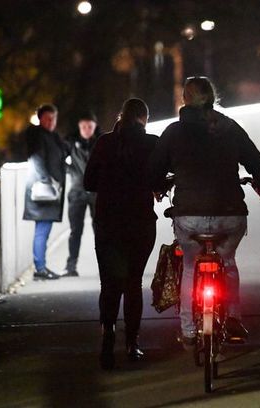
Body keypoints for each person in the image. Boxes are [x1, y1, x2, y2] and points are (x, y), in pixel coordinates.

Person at [150, 76, 260, 349]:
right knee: (227, 261)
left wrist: (159, 187)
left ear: (185, 99)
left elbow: (154, 170)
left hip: (189, 216)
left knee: (191, 265)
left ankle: (188, 330)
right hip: (229, 214)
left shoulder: (173, 132)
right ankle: (232, 318)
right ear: (212, 98)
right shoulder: (230, 128)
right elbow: (256, 161)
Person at [84, 98, 158, 370]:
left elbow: (88, 182)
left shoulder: (104, 143)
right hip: (140, 223)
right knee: (133, 282)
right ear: (144, 119)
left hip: (108, 224)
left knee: (110, 284)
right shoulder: (151, 143)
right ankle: (132, 344)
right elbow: (159, 179)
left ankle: (107, 340)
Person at [22, 104, 69, 280]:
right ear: (40, 118)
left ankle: (41, 267)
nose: (51, 122)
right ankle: (40, 269)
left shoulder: (52, 136)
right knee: (42, 230)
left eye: (53, 118)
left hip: (48, 191)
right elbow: (37, 158)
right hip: (43, 191)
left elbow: (63, 153)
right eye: (47, 118)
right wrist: (47, 180)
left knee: (44, 229)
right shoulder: (37, 135)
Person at [64, 112, 101, 277]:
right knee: (75, 230)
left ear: (94, 126)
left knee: (100, 230)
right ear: (79, 127)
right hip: (77, 191)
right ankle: (71, 266)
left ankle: (104, 265)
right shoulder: (71, 143)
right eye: (83, 126)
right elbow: (58, 159)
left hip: (96, 191)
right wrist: (71, 171)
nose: (86, 129)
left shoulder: (101, 142)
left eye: (89, 126)